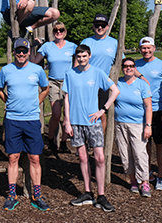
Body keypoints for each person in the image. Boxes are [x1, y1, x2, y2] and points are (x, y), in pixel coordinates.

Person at [63, 44, 119, 212]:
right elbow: (66, 98)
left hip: (92, 121)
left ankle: (101, 195)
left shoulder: (97, 73)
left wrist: (103, 109)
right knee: (82, 157)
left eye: (84, 56)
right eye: (78, 56)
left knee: (100, 158)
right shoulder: (70, 74)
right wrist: (67, 120)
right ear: (76, 58)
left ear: (89, 56)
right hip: (76, 122)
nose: (81, 59)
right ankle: (87, 192)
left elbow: (115, 90)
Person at [0, 38, 50, 211]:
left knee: (34, 158)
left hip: (32, 120)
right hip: (13, 120)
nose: (21, 54)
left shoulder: (37, 70)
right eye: (18, 51)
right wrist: (8, 101)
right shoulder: (6, 70)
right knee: (13, 157)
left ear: (29, 53)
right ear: (14, 52)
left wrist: (37, 102)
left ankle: (37, 195)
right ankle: (12, 195)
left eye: (24, 51)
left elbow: (45, 88)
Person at [135, 37, 162, 190]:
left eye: (149, 48)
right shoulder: (135, 65)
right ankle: (147, 172)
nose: (146, 51)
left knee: (159, 143)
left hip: (157, 109)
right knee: (145, 144)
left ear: (154, 48)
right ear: (140, 50)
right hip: (140, 110)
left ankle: (161, 176)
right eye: (143, 48)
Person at [34, 21, 76, 154]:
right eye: (56, 30)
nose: (58, 32)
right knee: (56, 114)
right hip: (53, 83)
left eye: (61, 30)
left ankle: (63, 142)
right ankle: (51, 139)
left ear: (65, 32)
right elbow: (35, 61)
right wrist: (33, 45)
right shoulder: (47, 46)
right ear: (53, 32)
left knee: (67, 115)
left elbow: (80, 61)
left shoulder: (72, 46)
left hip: (68, 82)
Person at [114, 58, 153, 197]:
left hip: (138, 124)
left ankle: (144, 182)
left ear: (135, 68)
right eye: (125, 66)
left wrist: (148, 125)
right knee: (125, 154)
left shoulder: (142, 85)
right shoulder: (117, 82)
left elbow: (148, 106)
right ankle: (133, 181)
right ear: (122, 68)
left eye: (131, 66)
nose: (128, 68)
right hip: (120, 124)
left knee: (139, 153)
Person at [81, 13, 119, 131]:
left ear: (107, 27)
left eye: (103, 25)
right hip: (87, 83)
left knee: (101, 113)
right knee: (86, 112)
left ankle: (99, 142)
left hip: (104, 84)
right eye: (97, 25)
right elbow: (78, 62)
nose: (100, 28)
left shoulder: (114, 43)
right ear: (93, 26)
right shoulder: (86, 42)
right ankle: (86, 140)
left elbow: (121, 62)